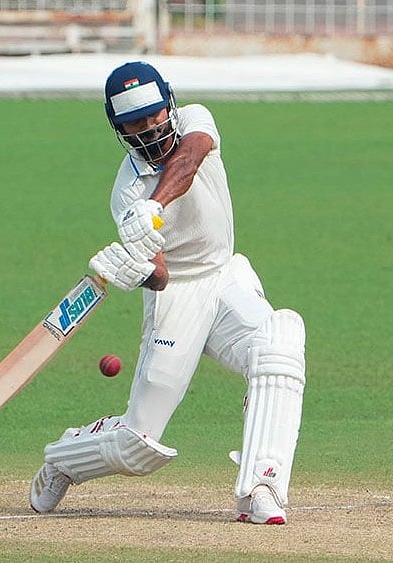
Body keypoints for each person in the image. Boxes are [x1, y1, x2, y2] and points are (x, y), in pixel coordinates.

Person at [28, 62, 305, 524]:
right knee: (138, 445)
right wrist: (134, 267)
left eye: (155, 114)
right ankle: (65, 457)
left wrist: (154, 206)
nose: (151, 127)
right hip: (176, 297)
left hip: (226, 276)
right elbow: (158, 277)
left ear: (169, 104)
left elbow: (192, 156)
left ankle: (262, 486)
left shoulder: (196, 120)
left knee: (281, 339)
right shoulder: (124, 193)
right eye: (136, 122)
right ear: (119, 128)